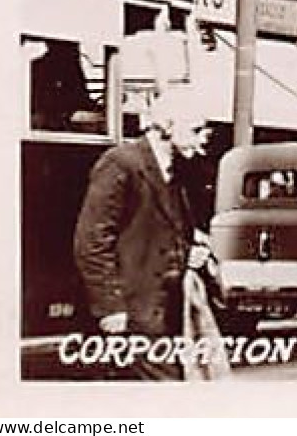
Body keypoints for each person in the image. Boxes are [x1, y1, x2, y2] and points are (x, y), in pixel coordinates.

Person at [73, 92, 213, 380]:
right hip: (132, 314)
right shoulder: (121, 163)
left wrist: (189, 251)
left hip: (166, 315)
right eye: (197, 130)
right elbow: (91, 242)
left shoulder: (178, 171)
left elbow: (163, 232)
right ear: (168, 126)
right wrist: (110, 308)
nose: (204, 140)